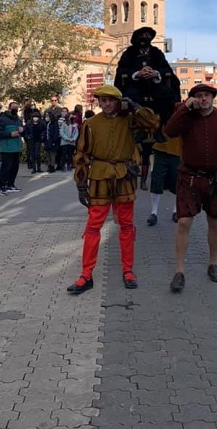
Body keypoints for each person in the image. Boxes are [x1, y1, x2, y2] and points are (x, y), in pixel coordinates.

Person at [67, 84, 159, 295]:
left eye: (111, 100)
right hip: (99, 177)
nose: (107, 104)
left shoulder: (130, 120)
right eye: (103, 100)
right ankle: (86, 275)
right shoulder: (90, 124)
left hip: (124, 175)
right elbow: (81, 155)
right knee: (93, 226)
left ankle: (128, 270)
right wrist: (81, 185)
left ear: (118, 102)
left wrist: (136, 107)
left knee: (126, 225)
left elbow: (153, 123)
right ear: (98, 101)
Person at [165, 84, 217, 293]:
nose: (203, 99)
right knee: (183, 222)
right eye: (198, 96)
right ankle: (180, 271)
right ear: (193, 99)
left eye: (206, 96)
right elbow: (169, 131)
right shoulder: (186, 117)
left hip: (216, 179)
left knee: (215, 223)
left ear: (212, 98)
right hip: (189, 178)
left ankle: (212, 263)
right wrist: (184, 107)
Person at [114, 26, 181, 126]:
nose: (145, 38)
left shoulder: (157, 53)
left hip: (155, 85)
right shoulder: (128, 53)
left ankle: (161, 124)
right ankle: (137, 123)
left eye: (148, 36)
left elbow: (167, 69)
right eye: (142, 36)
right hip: (135, 86)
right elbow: (121, 70)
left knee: (167, 94)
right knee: (130, 96)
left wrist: (156, 73)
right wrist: (137, 74)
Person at [146, 130, 181, 225]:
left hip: (177, 149)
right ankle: (153, 213)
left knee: (177, 180)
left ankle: (176, 211)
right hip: (161, 148)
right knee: (157, 180)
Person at [0, 102, 24, 196]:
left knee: (15, 167)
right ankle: (2, 187)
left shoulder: (18, 120)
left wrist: (22, 130)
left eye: (17, 108)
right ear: (9, 108)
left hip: (16, 147)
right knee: (6, 168)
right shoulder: (3, 119)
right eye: (14, 108)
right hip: (7, 148)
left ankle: (11, 185)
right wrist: (9, 134)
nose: (16, 110)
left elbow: (23, 131)